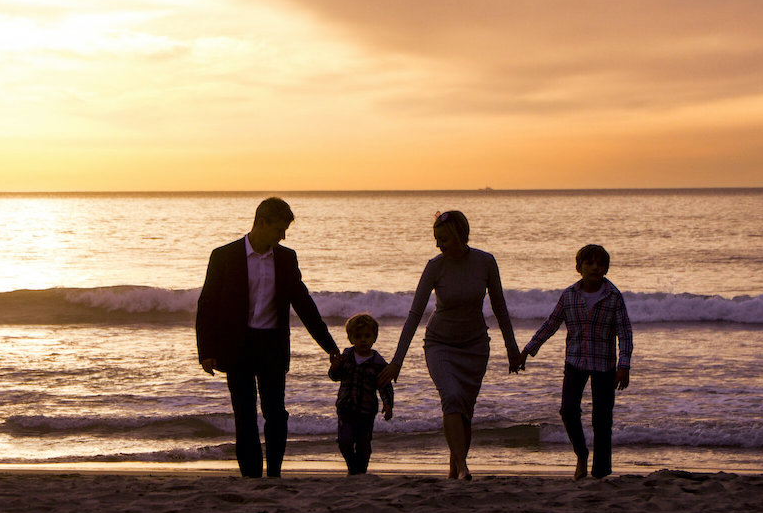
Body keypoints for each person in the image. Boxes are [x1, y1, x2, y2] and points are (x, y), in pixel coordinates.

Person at [196, 197, 340, 478]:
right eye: (279, 229)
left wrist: (330, 347)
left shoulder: (286, 258)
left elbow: (304, 304)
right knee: (245, 415)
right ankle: (251, 477)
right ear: (261, 223)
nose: (283, 236)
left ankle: (274, 474)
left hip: (272, 346)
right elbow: (207, 305)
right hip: (237, 346)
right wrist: (206, 351)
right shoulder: (224, 256)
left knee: (276, 413)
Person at [377, 210, 521, 480]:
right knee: (452, 397)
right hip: (439, 344)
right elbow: (414, 314)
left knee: (465, 409)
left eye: (442, 238)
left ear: (458, 235)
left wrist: (512, 348)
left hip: (475, 346)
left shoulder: (485, 262)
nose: (438, 245)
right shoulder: (435, 266)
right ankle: (464, 465)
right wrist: (397, 361)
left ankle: (455, 470)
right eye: (436, 239)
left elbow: (500, 308)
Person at [517, 243, 633, 480]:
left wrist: (624, 366)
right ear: (578, 268)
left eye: (600, 264)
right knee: (568, 410)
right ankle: (581, 454)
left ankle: (600, 472)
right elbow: (551, 324)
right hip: (575, 361)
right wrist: (528, 350)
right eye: (589, 263)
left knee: (602, 419)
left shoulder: (613, 297)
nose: (595, 268)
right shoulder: (569, 295)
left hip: (604, 364)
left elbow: (625, 332)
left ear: (606, 269)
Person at [329, 313, 394, 475]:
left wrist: (388, 404)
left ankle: (361, 471)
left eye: (367, 336)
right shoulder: (346, 357)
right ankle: (353, 467)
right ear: (351, 338)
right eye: (358, 336)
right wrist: (335, 367)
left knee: (363, 442)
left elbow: (385, 386)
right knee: (344, 440)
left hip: (366, 410)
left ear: (374, 338)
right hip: (346, 407)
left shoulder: (378, 363)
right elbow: (335, 377)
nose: (363, 340)